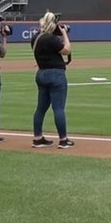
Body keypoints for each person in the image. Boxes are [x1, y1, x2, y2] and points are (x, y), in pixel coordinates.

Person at [31, 12, 74, 149]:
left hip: (41, 73)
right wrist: (65, 34)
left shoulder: (35, 38)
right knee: (58, 108)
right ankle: (63, 139)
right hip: (56, 74)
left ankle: (37, 138)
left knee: (40, 108)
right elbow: (66, 50)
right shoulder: (52, 39)